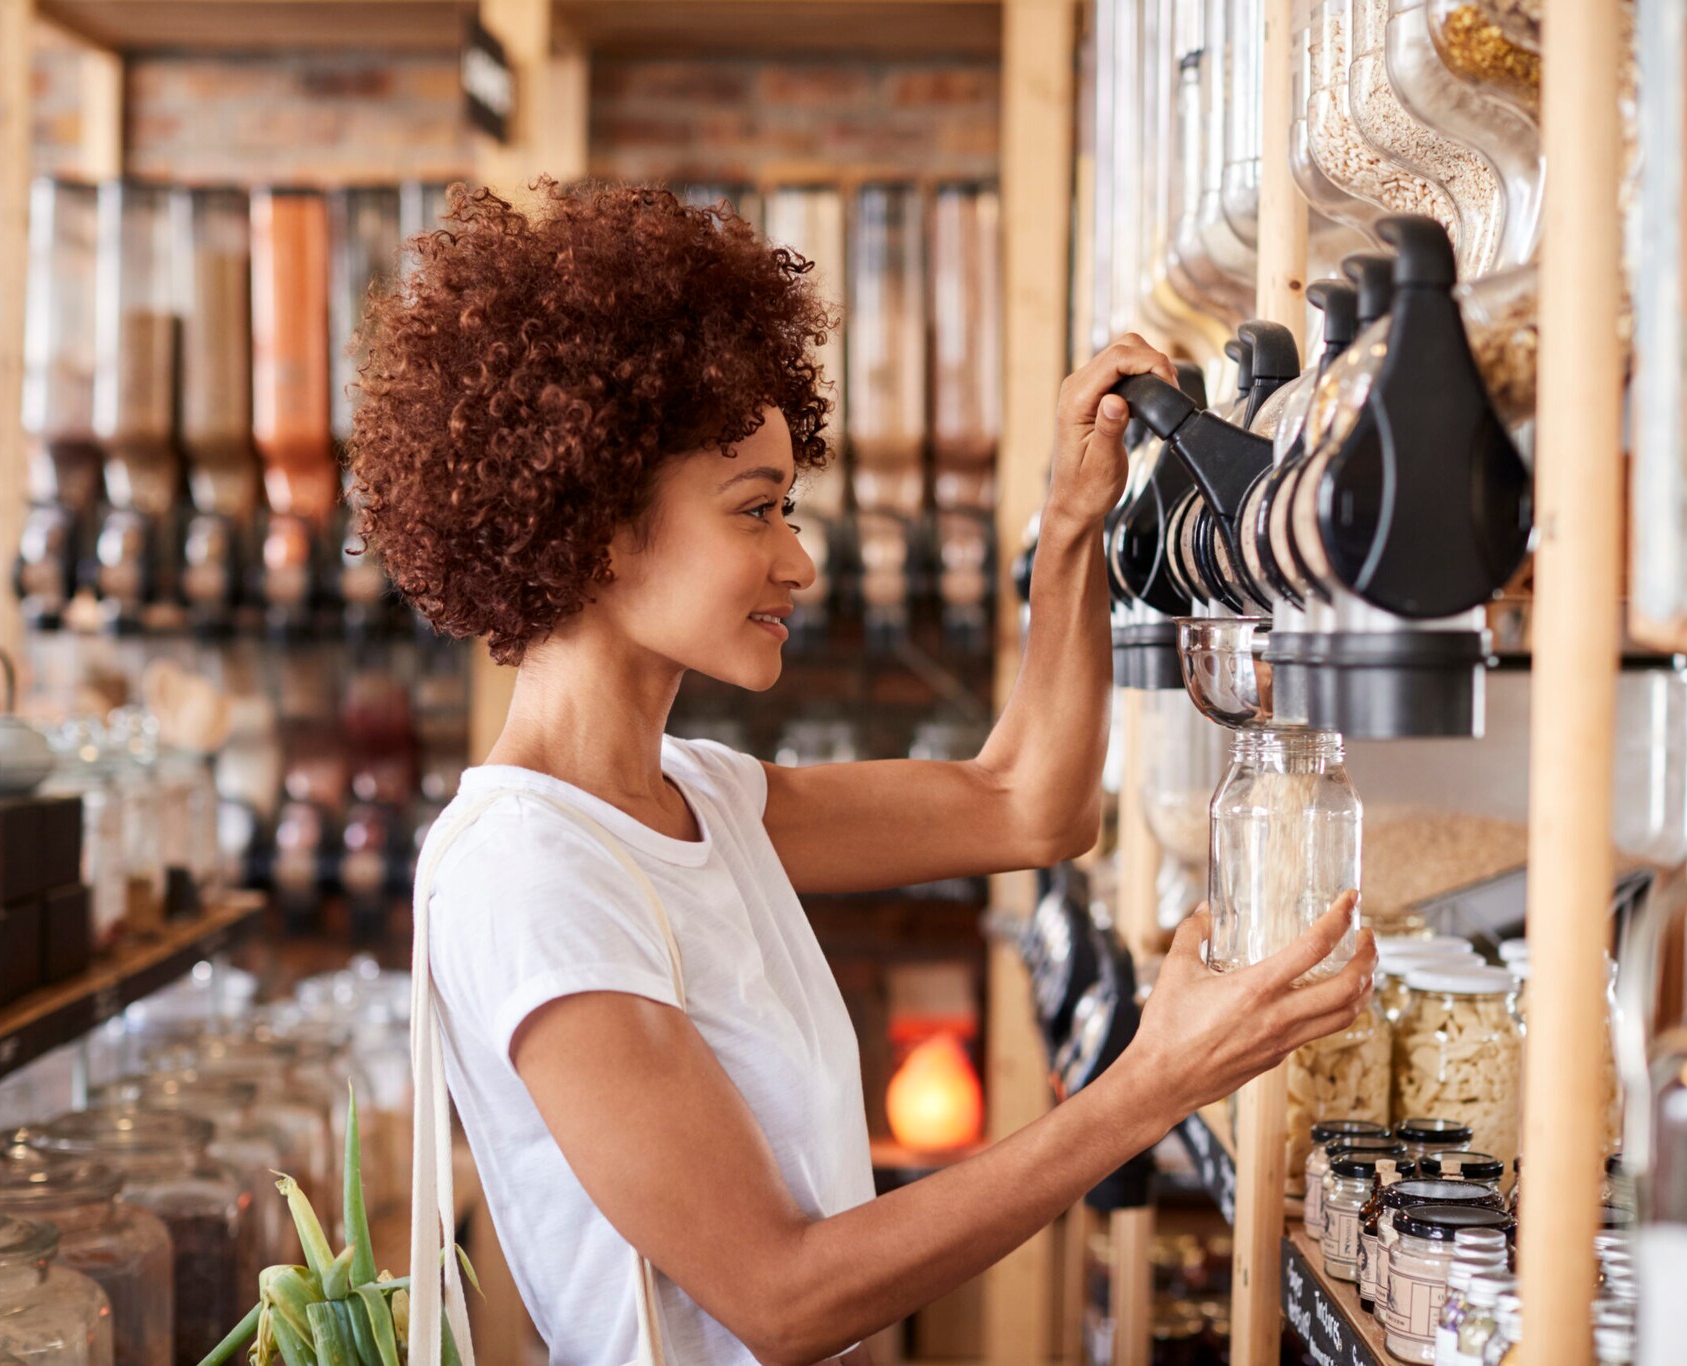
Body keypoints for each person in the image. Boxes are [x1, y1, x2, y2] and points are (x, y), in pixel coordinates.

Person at [349, 180, 1375, 1366]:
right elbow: (781, 1296)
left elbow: (1025, 807)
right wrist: (1153, 1081)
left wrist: (1070, 523)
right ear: (597, 527)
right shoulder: (533, 874)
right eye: (755, 511)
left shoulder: (697, 800)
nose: (798, 561)